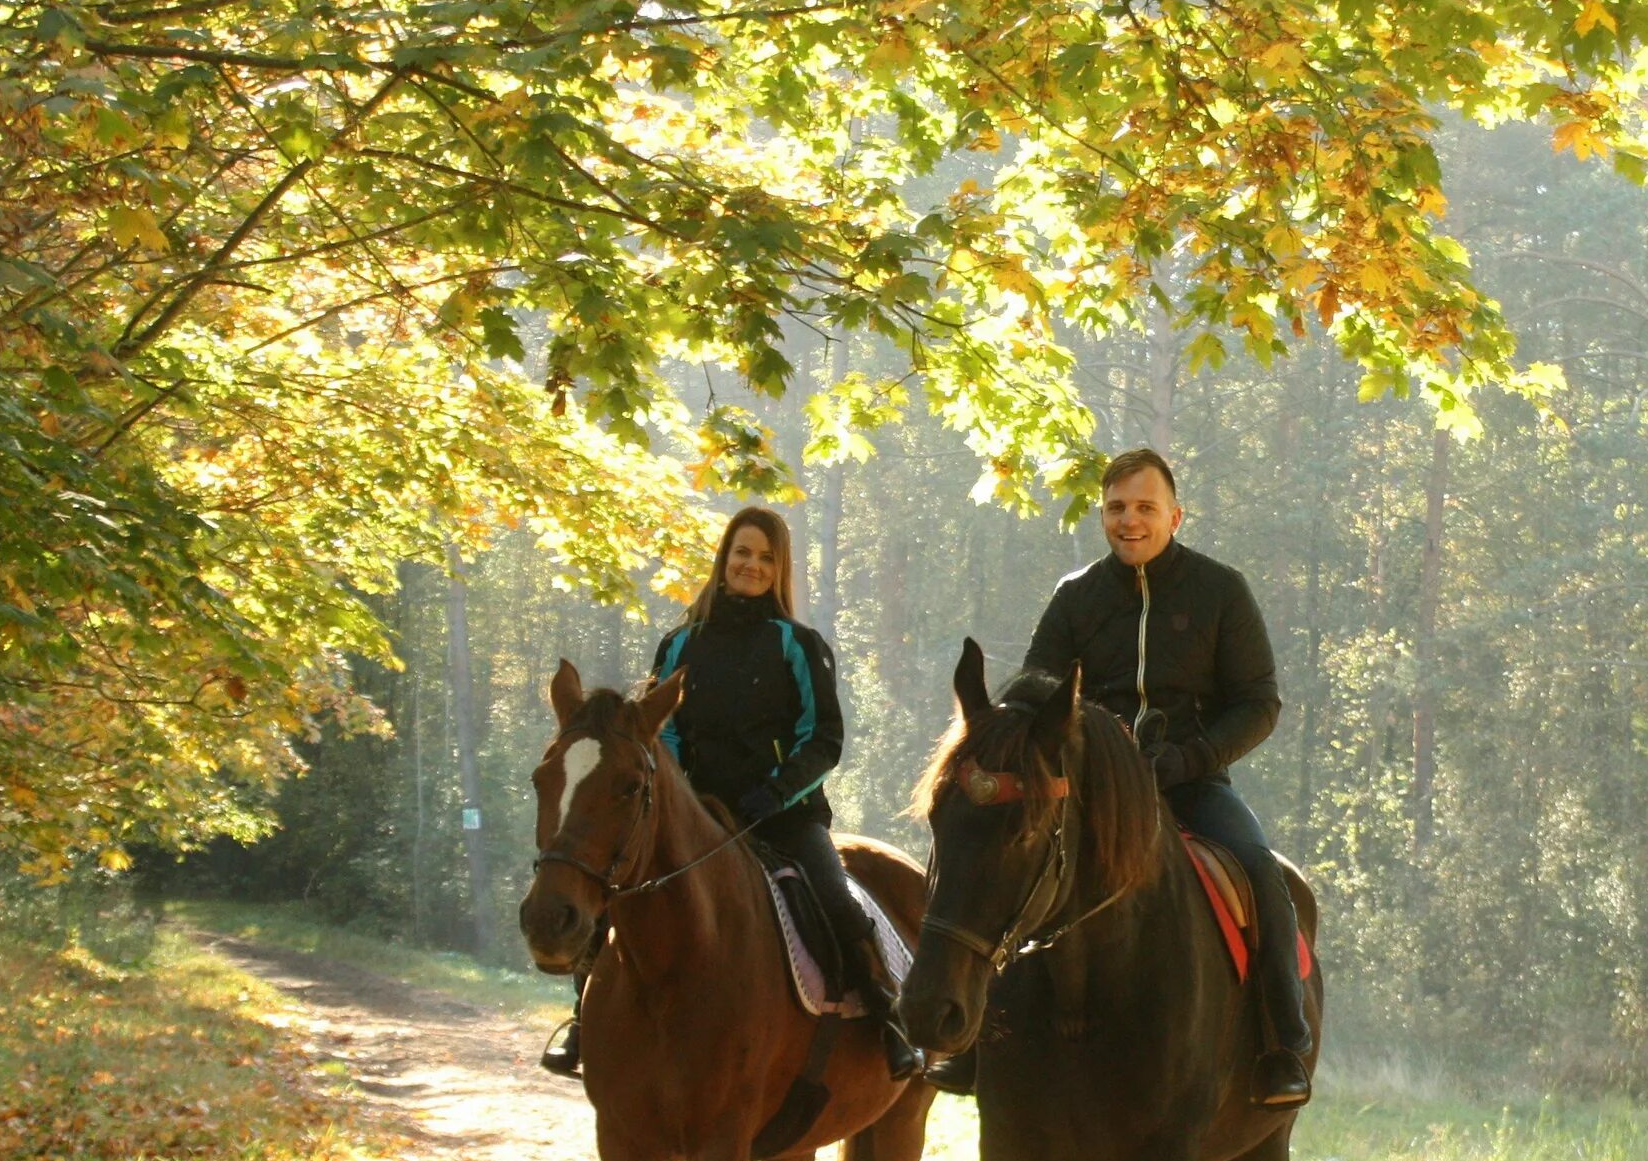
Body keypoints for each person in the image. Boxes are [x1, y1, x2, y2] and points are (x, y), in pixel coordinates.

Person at [927, 447, 1312, 1108]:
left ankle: (1283, 1045)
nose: (1129, 521)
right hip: (1085, 788)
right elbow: (1038, 681)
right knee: (996, 859)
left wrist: (1189, 759)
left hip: (1190, 781)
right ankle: (972, 1039)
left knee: (1257, 869)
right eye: (1116, 508)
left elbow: (1259, 704)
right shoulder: (1078, 596)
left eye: (1144, 508)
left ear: (1174, 515)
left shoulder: (1221, 591)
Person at [543, 506, 920, 1082]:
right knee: (611, 891)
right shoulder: (678, 644)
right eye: (743, 552)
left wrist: (777, 792)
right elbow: (658, 736)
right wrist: (683, 799)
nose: (753, 565)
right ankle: (583, 1020)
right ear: (725, 558)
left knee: (834, 897)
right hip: (692, 816)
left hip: (782, 815)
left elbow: (823, 737)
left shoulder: (799, 644)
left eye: (767, 557)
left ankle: (888, 1020)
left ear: (780, 569)